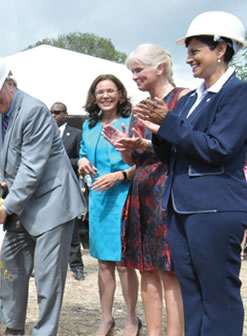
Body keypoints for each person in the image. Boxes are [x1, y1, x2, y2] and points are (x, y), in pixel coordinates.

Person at [133, 11, 247, 335]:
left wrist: (168, 123)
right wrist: (158, 128)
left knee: (218, 297)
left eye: (196, 51)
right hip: (180, 209)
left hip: (215, 209)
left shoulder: (239, 93)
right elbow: (171, 153)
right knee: (192, 295)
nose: (189, 59)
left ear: (221, 49)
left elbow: (219, 147)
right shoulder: (188, 101)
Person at [0, 53, 86, 336]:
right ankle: (12, 327)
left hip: (51, 204)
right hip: (21, 205)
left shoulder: (34, 111)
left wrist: (6, 207)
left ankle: (44, 332)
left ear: (10, 83)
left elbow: (32, 169)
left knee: (47, 279)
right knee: (10, 268)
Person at [103, 43, 188, 336]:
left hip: (169, 188)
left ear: (160, 68)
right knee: (146, 268)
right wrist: (124, 145)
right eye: (132, 71)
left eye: (138, 70)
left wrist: (144, 143)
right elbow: (134, 159)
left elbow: (183, 147)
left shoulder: (184, 99)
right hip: (142, 189)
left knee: (169, 270)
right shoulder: (139, 109)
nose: (134, 77)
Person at [78, 74, 139, 336]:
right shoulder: (88, 126)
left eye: (110, 91)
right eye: (100, 91)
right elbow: (82, 152)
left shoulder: (132, 122)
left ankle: (131, 320)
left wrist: (120, 175)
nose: (105, 95)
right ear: (94, 96)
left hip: (125, 195)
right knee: (104, 263)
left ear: (120, 95)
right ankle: (106, 320)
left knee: (124, 262)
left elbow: (145, 162)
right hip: (99, 198)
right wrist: (81, 162)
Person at [50, 102, 86, 281]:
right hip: (48, 188)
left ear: (65, 114)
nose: (53, 116)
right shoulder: (45, 133)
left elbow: (81, 159)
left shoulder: (76, 134)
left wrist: (62, 160)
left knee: (71, 229)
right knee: (49, 229)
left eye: (57, 112)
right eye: (51, 113)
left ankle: (77, 266)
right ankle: (51, 266)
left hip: (68, 186)